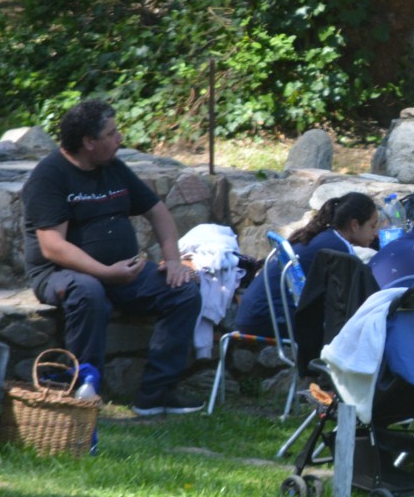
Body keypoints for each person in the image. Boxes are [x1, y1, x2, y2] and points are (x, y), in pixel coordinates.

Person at [21, 99, 203, 416]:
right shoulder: (50, 177)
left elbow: (157, 211)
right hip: (58, 273)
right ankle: (83, 389)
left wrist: (173, 261)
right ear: (89, 142)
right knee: (90, 293)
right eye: (112, 133)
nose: (120, 139)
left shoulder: (112, 168)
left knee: (183, 291)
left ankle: (155, 394)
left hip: (120, 273)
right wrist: (105, 273)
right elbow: (53, 247)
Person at [231, 192, 380, 338]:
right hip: (269, 319)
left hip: (251, 315)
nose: (376, 233)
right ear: (354, 225)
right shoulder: (339, 247)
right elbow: (346, 299)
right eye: (372, 226)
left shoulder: (323, 237)